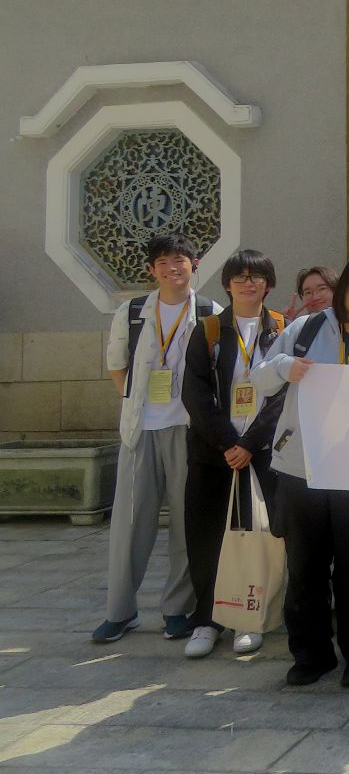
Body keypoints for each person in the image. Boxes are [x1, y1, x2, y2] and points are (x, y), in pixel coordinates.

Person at [252, 255, 349, 687]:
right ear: (343, 291)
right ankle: (311, 655)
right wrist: (285, 368)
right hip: (300, 468)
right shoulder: (306, 329)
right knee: (305, 567)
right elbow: (258, 378)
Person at [93, 234, 220, 646]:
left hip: (188, 431)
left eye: (179, 260)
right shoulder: (132, 312)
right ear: (152, 270)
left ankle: (176, 610)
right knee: (129, 524)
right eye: (162, 262)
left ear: (194, 265)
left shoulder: (210, 313)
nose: (171, 268)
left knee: (186, 525)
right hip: (140, 432)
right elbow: (117, 368)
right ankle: (120, 612)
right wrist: (139, 404)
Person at [180, 249, 285, 659]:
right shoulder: (208, 330)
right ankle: (207, 620)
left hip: (263, 454)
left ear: (268, 284)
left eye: (256, 276)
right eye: (239, 276)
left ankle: (248, 617)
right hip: (214, 455)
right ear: (226, 284)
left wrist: (251, 443)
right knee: (206, 537)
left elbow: (284, 394)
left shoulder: (281, 329)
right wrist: (229, 443)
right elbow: (195, 393)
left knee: (259, 535)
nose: (247, 283)